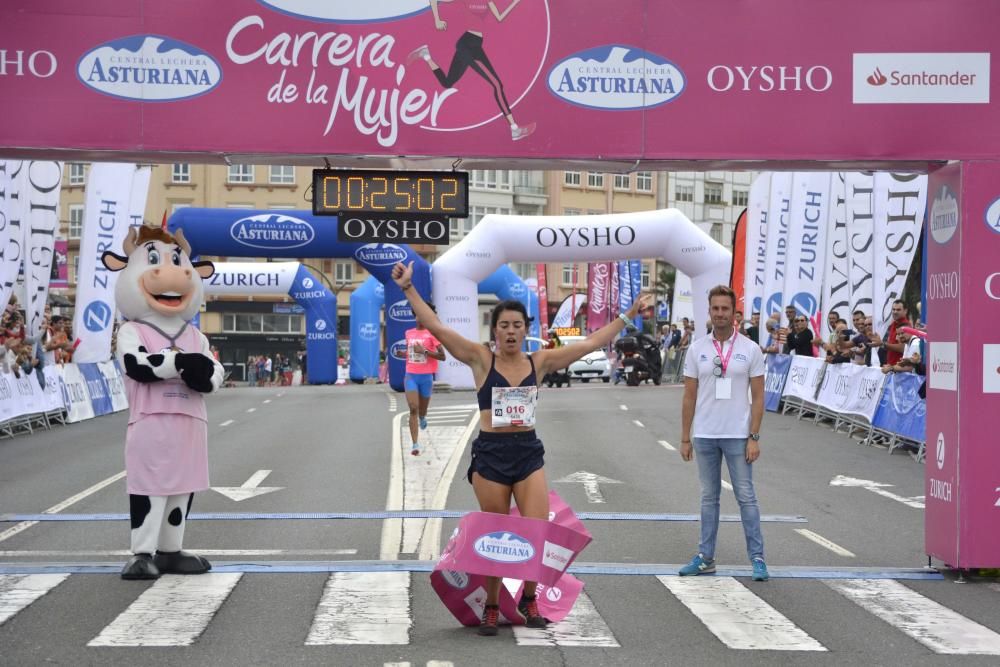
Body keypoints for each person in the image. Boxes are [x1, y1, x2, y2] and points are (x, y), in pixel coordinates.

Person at [391, 259, 649, 636]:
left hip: (527, 453)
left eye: (517, 326)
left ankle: (530, 600)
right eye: (504, 326)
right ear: (494, 331)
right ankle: (493, 607)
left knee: (535, 532)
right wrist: (409, 289)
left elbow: (592, 342)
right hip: (491, 455)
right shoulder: (481, 359)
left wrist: (626, 317)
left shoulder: (540, 361)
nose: (510, 332)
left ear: (526, 330)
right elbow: (436, 327)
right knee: (497, 538)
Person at [679, 285, 768, 582]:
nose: (720, 314)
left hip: (738, 435)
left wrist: (753, 437)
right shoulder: (697, 349)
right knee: (708, 498)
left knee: (746, 497)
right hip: (705, 435)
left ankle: (757, 559)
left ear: (734, 313)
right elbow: (689, 396)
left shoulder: (750, 349)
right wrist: (685, 437)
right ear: (709, 311)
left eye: (725, 309)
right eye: (715, 308)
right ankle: (705, 557)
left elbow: (758, 397)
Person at [407, 0, 536, 141]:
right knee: (497, 85)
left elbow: (499, 17)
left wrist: (515, 3)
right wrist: (437, 19)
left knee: (447, 82)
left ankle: (425, 55)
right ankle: (514, 129)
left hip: (474, 45)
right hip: (467, 44)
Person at [404, 304, 447, 455]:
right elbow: (410, 353)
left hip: (426, 377)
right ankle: (415, 444)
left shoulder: (433, 334)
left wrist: (425, 351)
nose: (420, 318)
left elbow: (443, 356)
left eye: (423, 315)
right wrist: (404, 353)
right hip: (410, 375)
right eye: (417, 314)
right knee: (413, 408)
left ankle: (423, 416)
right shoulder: (408, 333)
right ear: (414, 315)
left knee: (422, 410)